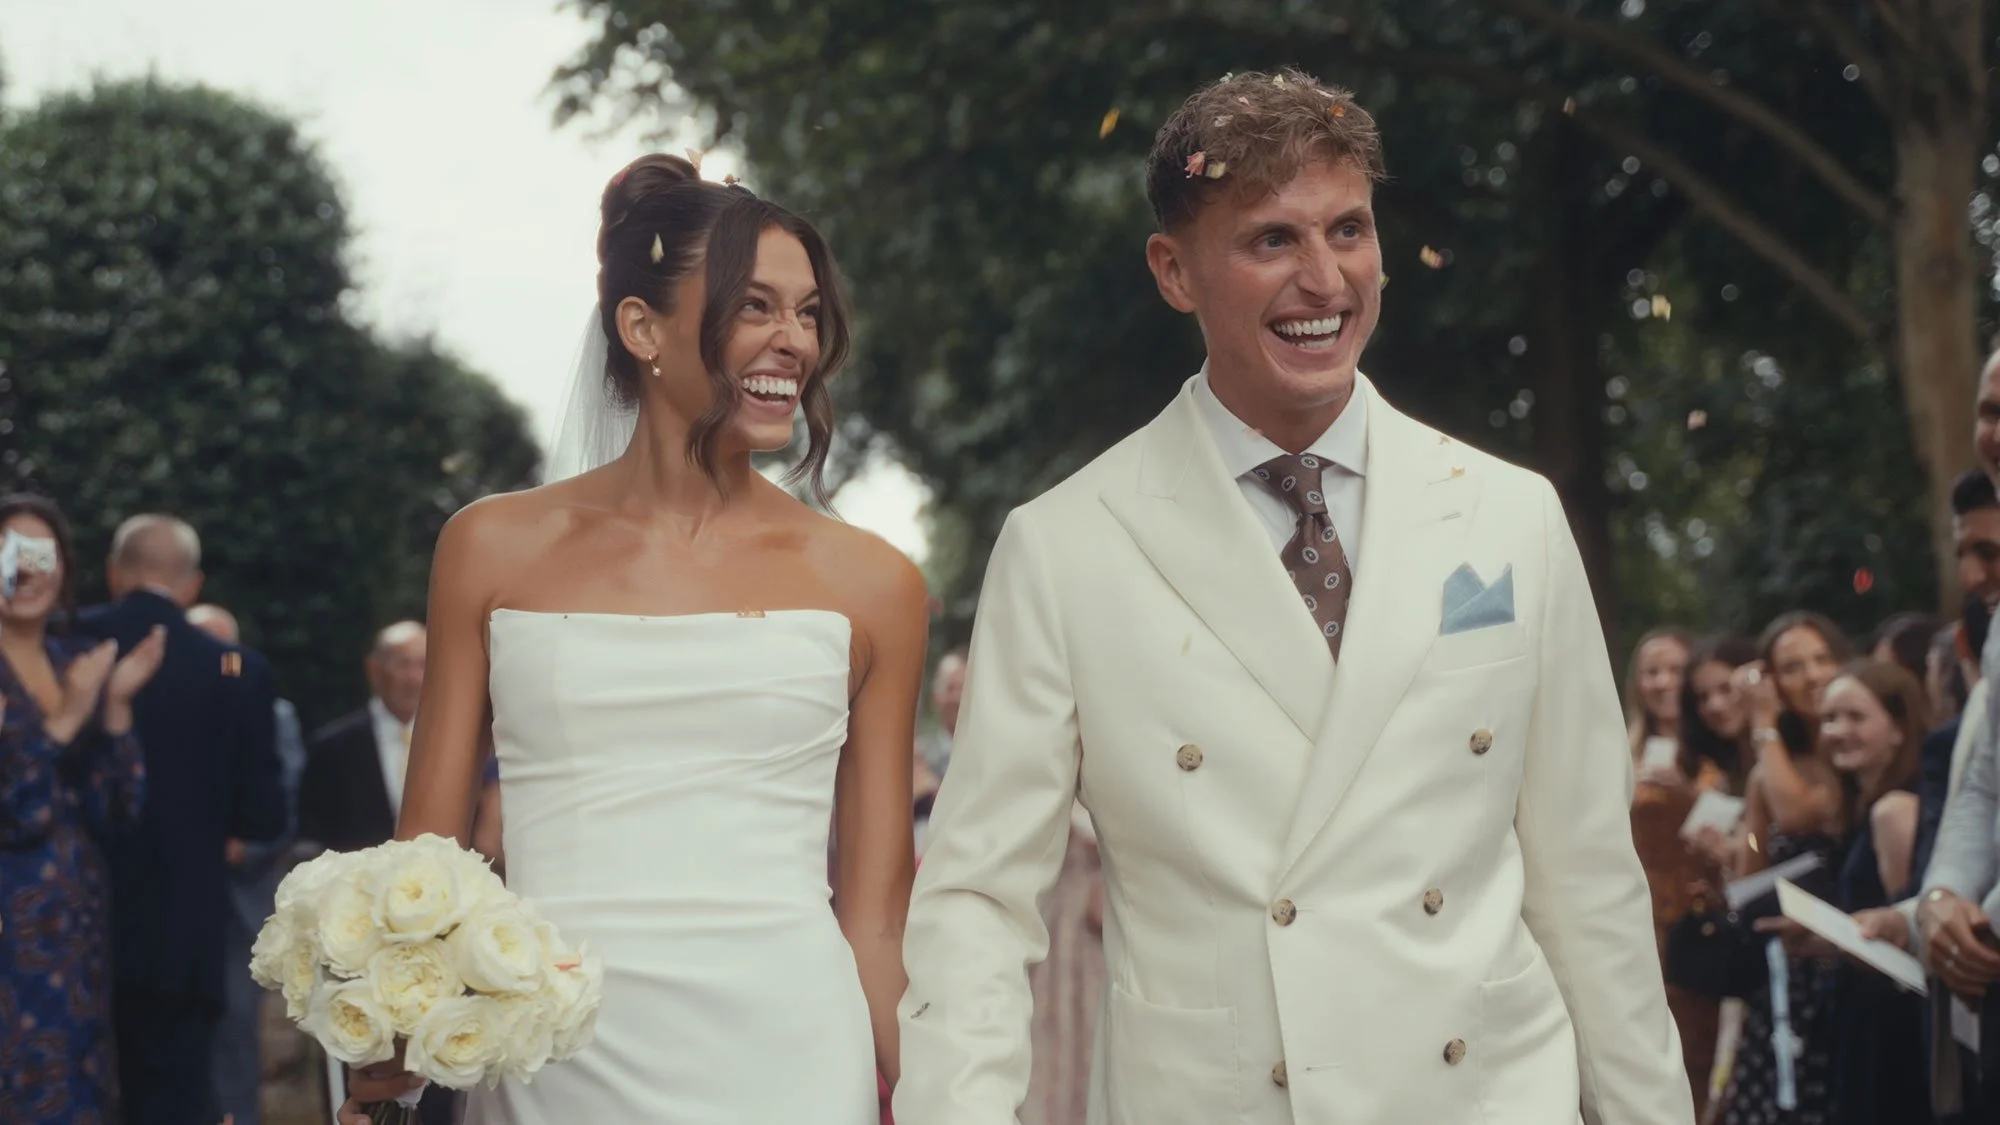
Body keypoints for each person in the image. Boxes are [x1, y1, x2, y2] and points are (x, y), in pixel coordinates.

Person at [895, 70, 1691, 1125]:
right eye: (1271, 240)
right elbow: (979, 903)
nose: (1324, 280)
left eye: (1347, 230)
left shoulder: (1512, 515)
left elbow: (1587, 880)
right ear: (1173, 271)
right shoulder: (1064, 547)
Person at [338, 153, 925, 1124]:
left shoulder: (875, 584)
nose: (793, 340)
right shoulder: (488, 547)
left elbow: (877, 921)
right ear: (641, 327)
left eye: (808, 312)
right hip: (554, 1056)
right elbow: (427, 860)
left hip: (792, 1052)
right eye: (754, 306)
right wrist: (386, 1044)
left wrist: (950, 1097)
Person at [78, 514, 283, 1125]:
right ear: (192, 584)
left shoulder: (68, 643)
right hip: (181, 936)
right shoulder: (238, 671)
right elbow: (263, 813)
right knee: (171, 1099)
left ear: (113, 573)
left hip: (73, 924)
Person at [0, 493, 165, 1124]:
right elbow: (16, 812)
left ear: (64, 567)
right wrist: (65, 721)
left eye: (39, 553)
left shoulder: (77, 658)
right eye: (8, 552)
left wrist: (115, 707)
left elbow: (116, 811)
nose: (25, 568)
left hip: (78, 932)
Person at [1715, 612, 1850, 1125]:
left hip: (1850, 958)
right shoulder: (1770, 768)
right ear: (1774, 681)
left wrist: (1762, 722)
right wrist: (1741, 842)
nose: (1812, 675)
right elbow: (1752, 868)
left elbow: (1797, 813)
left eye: (1822, 658)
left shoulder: (1851, 749)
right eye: (1793, 667)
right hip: (1786, 971)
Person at [187, 603, 308, 1125]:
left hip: (241, 892)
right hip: (171, 895)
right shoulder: (162, 707)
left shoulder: (274, 714)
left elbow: (288, 795)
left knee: (237, 1024)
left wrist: (246, 848)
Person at [297, 621, 427, 855]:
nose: (414, 678)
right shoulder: (332, 748)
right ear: (374, 669)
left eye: (424, 665)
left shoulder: (456, 745)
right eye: (403, 664)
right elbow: (311, 835)